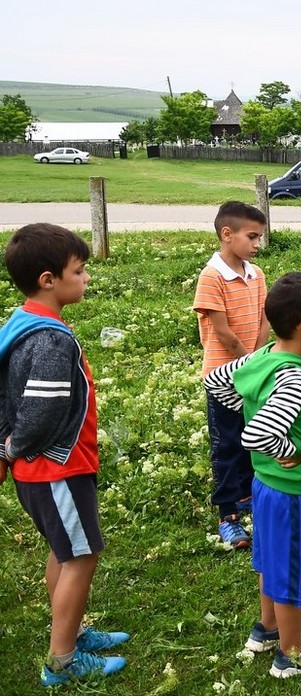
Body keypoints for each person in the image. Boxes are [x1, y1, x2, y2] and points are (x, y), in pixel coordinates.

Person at [0, 224, 129, 686]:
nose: (87, 277)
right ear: (49, 279)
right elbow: (39, 410)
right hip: (56, 469)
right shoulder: (52, 339)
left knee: (66, 549)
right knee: (82, 555)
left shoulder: (23, 320)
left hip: (43, 471)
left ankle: (71, 630)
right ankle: (62, 660)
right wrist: (14, 446)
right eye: (80, 270)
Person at [203, 272, 301, 679]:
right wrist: (292, 449)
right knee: (292, 571)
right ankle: (291, 654)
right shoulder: (294, 378)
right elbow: (258, 434)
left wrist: (246, 401)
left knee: (271, 561)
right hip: (293, 494)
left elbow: (216, 382)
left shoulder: (264, 356)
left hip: (264, 488)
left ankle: (267, 629)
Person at [192, 201, 270, 550]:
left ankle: (248, 497)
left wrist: (255, 358)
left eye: (259, 237)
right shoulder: (211, 276)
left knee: (252, 437)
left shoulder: (256, 274)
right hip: (224, 375)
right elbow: (222, 332)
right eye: (252, 237)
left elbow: (265, 320)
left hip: (250, 370)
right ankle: (228, 516)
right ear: (227, 234)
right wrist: (250, 362)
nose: (257, 244)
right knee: (226, 444)